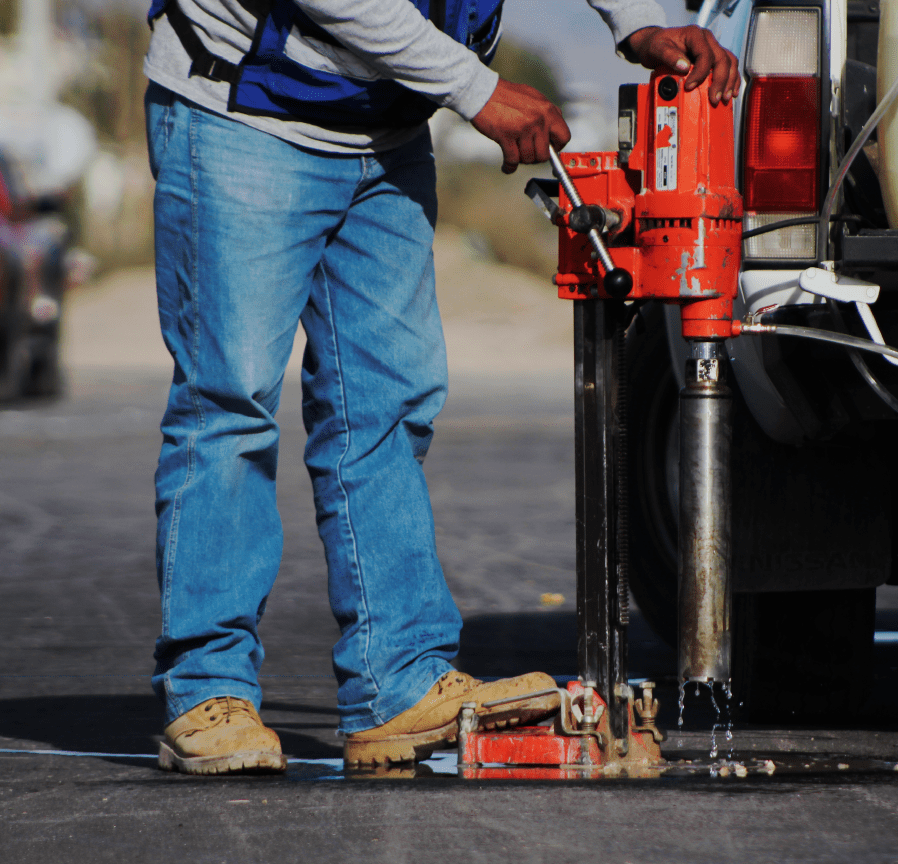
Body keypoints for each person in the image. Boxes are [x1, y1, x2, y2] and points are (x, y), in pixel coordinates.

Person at [143, 0, 740, 775]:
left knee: (387, 404)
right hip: (244, 114)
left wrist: (636, 22)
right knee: (230, 402)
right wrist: (475, 87)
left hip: (385, 127)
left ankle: (397, 680)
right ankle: (208, 687)